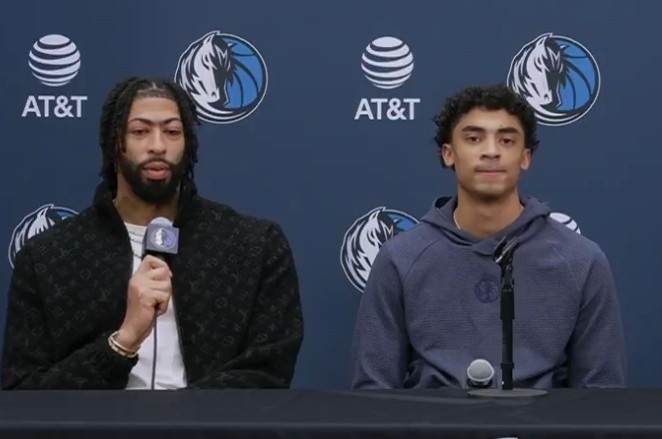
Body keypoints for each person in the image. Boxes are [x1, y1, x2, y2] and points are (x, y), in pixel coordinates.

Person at [1, 77, 304, 390]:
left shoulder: (254, 246)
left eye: (172, 132)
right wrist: (122, 342)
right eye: (140, 131)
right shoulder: (48, 257)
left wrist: (184, 413)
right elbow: (24, 392)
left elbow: (268, 371)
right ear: (114, 142)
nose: (158, 146)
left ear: (188, 143)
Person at [349, 84, 627, 389]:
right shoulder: (400, 258)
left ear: (525, 157)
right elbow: (373, 394)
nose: (491, 151)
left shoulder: (581, 260)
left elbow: (601, 395)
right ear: (448, 154)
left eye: (507, 140)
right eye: (473, 139)